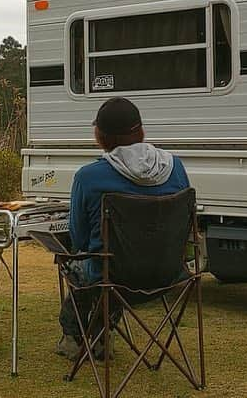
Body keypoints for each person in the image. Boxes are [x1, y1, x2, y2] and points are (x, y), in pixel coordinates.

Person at [55, 96, 190, 360]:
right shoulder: (176, 168)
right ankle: (100, 335)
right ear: (141, 131)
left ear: (101, 136)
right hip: (169, 275)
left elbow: (80, 240)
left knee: (74, 263)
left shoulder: (89, 176)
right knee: (108, 264)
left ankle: (75, 336)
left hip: (113, 280)